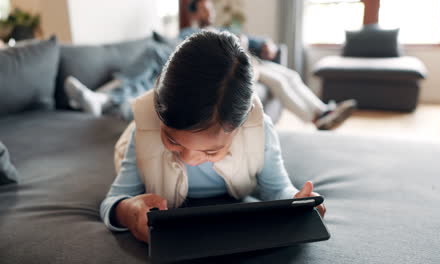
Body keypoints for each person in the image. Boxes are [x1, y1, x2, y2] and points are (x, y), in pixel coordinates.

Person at [100, 31, 326, 243]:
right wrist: (129, 211)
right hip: (139, 143)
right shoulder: (145, 131)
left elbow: (276, 189)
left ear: (241, 127)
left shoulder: (259, 131)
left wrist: (297, 201)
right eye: (173, 141)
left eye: (210, 151)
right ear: (159, 113)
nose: (189, 159)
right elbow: (115, 199)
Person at [181, 0, 356, 130]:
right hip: (237, 68)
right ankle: (316, 120)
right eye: (204, 10)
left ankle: (323, 110)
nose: (209, 13)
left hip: (253, 61)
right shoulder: (189, 34)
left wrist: (266, 43)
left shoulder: (221, 28)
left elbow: (250, 39)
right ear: (194, 14)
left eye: (210, 8)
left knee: (290, 75)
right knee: (278, 82)